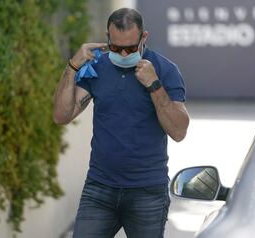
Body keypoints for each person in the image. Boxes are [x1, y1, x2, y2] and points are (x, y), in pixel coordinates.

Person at [53, 7, 189, 238]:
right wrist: (72, 67)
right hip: (99, 187)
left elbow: (178, 131)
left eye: (130, 48)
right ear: (107, 37)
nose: (124, 54)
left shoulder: (165, 70)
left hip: (147, 191)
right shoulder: (96, 67)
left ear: (143, 37)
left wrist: (154, 84)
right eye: (116, 47)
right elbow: (61, 116)